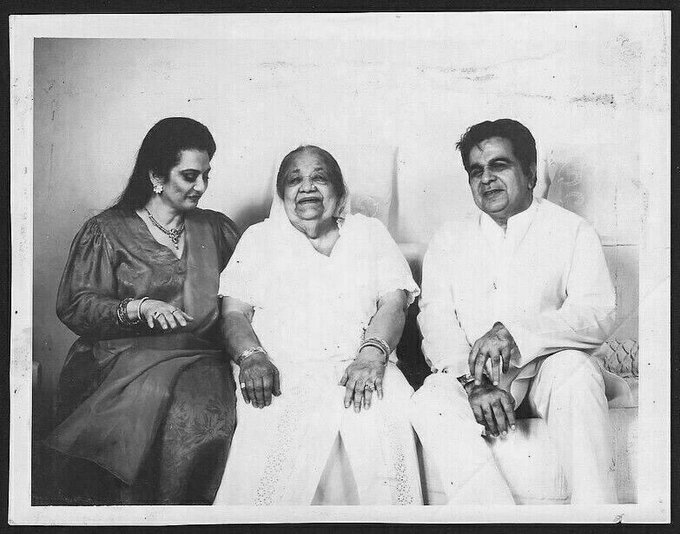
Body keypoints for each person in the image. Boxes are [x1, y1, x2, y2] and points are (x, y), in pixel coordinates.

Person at [411, 119, 630, 504]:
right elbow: (436, 320)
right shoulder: (449, 239)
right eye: (476, 171)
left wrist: (515, 334)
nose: (486, 179)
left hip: (548, 369)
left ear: (529, 173)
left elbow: (596, 313)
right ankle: (496, 520)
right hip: (474, 381)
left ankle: (598, 518)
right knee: (430, 400)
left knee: (575, 373)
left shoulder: (572, 231)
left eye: (500, 165)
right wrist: (473, 382)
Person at [45, 117, 240, 504]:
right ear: (155, 175)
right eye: (189, 176)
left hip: (204, 355)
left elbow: (251, 292)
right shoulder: (106, 230)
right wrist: (137, 307)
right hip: (123, 358)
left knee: (210, 417)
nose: (200, 187)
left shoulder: (216, 228)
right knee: (162, 405)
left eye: (205, 176)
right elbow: (75, 304)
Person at [212, 146, 422, 505]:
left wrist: (372, 356)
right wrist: (251, 357)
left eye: (319, 178)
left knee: (384, 412)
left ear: (339, 191)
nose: (306, 188)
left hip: (364, 364)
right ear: (282, 195)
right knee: (277, 428)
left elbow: (394, 303)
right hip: (279, 368)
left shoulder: (369, 232)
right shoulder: (260, 239)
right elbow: (233, 313)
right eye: (295, 180)